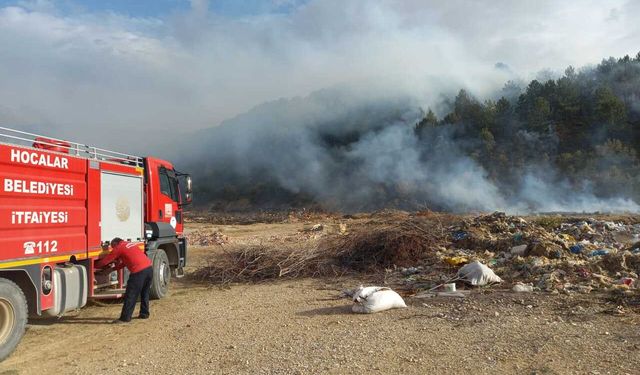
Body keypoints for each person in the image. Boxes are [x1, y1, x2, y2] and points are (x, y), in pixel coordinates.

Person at [95, 237, 153, 323]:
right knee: (145, 293)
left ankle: (125, 318)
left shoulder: (119, 247)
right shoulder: (129, 244)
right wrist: (112, 269)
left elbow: (105, 261)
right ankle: (144, 314)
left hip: (138, 272)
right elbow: (125, 263)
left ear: (115, 243)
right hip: (149, 269)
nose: (112, 248)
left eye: (112, 246)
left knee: (131, 295)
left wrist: (95, 266)